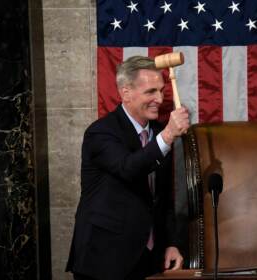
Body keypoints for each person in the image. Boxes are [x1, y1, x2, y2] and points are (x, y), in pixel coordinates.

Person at [66, 56, 190, 280]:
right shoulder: (100, 133)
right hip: (104, 259)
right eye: (150, 92)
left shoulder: (159, 131)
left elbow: (162, 197)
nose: (160, 99)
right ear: (126, 93)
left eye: (161, 90)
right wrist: (168, 135)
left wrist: (171, 243)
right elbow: (128, 168)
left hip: (149, 259)